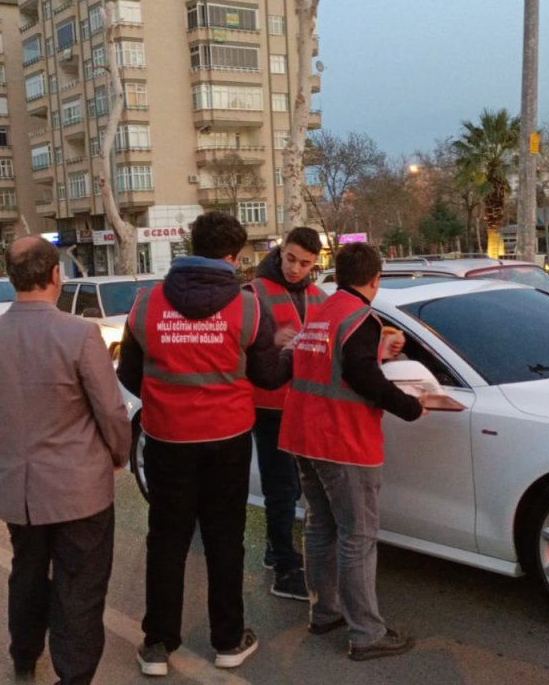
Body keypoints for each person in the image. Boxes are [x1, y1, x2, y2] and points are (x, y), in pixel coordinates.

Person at [117, 211, 290, 677]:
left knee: (167, 539)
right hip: (228, 441)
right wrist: (291, 352)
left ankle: (157, 644)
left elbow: (128, 376)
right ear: (232, 257)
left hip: (167, 440)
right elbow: (268, 376)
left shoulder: (147, 304)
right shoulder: (250, 307)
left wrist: (168, 398)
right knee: (224, 539)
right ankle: (229, 640)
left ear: (190, 245)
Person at [0, 236, 131, 684]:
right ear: (57, 275)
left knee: (28, 571)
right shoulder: (79, 334)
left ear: (10, 278)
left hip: (17, 490)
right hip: (80, 489)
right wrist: (119, 454)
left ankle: (24, 654)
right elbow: (110, 410)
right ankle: (73, 674)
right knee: (80, 584)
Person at [279, 242, 424, 662]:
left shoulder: (322, 311)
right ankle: (366, 633)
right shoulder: (361, 318)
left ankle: (325, 611)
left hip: (303, 435)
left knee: (320, 526)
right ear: (375, 279)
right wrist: (410, 406)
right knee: (357, 536)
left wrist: (380, 351)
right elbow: (364, 377)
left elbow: (334, 363)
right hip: (341, 440)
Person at [244, 227, 326, 600]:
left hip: (302, 402)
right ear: (280, 253)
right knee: (283, 489)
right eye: (291, 259)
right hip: (268, 405)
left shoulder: (317, 294)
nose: (296, 268)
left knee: (292, 487)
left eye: (305, 263)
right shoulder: (254, 293)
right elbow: (237, 346)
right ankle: (284, 568)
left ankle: (275, 552)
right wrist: (268, 342)